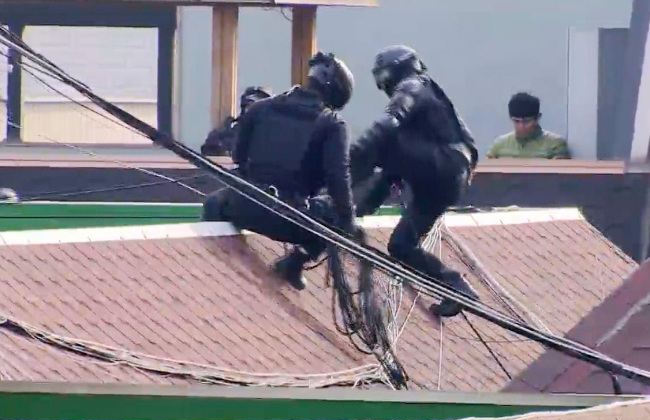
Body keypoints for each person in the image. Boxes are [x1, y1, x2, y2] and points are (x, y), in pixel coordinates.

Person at [202, 52, 357, 291]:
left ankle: (210, 270)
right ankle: (295, 262)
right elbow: (339, 180)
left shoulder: (261, 108)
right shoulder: (332, 124)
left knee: (213, 201)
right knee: (338, 218)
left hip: (244, 207)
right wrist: (348, 222)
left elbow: (239, 157)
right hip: (289, 220)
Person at [350, 45, 480, 318]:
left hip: (444, 166)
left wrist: (354, 154)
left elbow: (389, 121)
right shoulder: (432, 102)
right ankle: (457, 287)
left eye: (384, 76)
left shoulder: (414, 85)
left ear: (399, 69)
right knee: (401, 246)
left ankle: (345, 205)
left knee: (386, 144)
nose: (383, 84)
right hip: (443, 180)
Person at [487, 92, 571, 159]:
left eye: (526, 122)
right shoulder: (499, 145)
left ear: (538, 118)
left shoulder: (555, 145)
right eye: (516, 121)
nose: (521, 126)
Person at [200, 86, 273, 157]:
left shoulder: (275, 135)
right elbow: (209, 155)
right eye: (248, 107)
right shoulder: (226, 134)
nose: (251, 112)